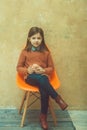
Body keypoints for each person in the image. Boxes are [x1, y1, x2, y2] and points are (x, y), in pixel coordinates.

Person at [16, 27, 68, 130]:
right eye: (34, 38)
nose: (36, 40)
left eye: (39, 38)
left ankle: (43, 117)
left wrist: (43, 70)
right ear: (29, 39)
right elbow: (18, 68)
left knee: (43, 87)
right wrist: (28, 70)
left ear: (42, 39)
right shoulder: (25, 52)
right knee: (42, 81)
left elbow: (51, 68)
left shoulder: (46, 53)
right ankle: (57, 98)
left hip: (43, 77)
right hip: (30, 77)